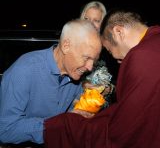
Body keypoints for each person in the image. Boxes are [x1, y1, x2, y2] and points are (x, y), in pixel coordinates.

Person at [44, 9, 160, 148]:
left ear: (119, 32)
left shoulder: (141, 56)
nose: (115, 59)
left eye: (110, 50)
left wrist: (69, 125)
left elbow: (125, 133)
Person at [0, 19, 102, 145]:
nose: (90, 67)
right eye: (86, 58)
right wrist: (58, 124)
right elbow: (5, 130)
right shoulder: (24, 70)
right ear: (66, 46)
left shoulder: (77, 75)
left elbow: (74, 117)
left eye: (94, 60)